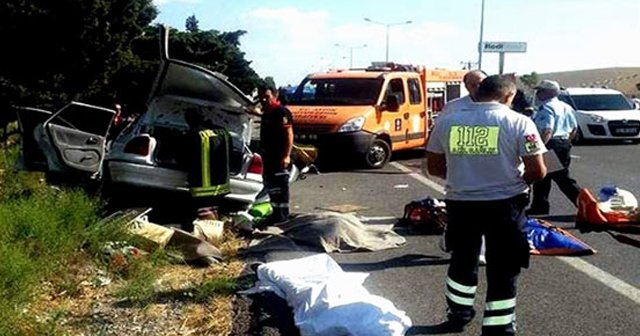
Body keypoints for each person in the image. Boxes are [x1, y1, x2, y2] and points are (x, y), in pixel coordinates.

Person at [426, 75, 547, 335]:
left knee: (462, 259)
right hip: (506, 205)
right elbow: (538, 171)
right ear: (509, 96)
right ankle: (499, 327)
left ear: (479, 92)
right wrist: (514, 180)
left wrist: (465, 178)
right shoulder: (519, 122)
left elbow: (434, 167)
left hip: (461, 203)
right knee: (504, 265)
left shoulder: (447, 121)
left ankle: (458, 313)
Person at [527, 79, 582, 215]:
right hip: (563, 143)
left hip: (550, 144)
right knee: (543, 178)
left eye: (540, 91)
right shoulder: (566, 106)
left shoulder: (546, 108)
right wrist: (567, 143)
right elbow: (574, 128)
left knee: (562, 179)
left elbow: (547, 130)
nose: (538, 94)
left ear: (548, 92)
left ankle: (585, 204)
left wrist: (538, 149)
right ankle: (539, 206)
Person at [183, 108, 231, 223]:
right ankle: (217, 234)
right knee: (214, 209)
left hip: (202, 187)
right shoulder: (223, 131)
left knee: (204, 213)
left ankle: (208, 236)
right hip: (221, 184)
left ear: (190, 120)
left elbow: (185, 157)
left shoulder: (195, 134)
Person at [259, 85, 294, 225]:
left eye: (266, 96)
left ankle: (282, 217)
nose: (263, 100)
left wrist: (286, 155)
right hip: (268, 156)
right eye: (261, 97)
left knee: (280, 187)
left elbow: (289, 134)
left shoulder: (281, 112)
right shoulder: (267, 112)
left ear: (275, 95)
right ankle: (276, 214)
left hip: (278, 156)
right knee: (272, 187)